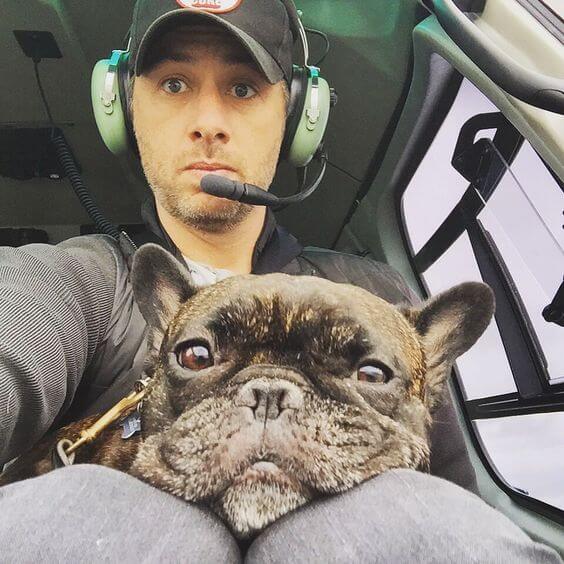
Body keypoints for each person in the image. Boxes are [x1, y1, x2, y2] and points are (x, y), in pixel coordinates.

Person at [0, 1, 561, 562]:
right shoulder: (87, 284)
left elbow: (451, 503)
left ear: (297, 113)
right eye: (174, 83)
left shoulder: (380, 294)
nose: (208, 121)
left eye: (243, 89)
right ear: (124, 104)